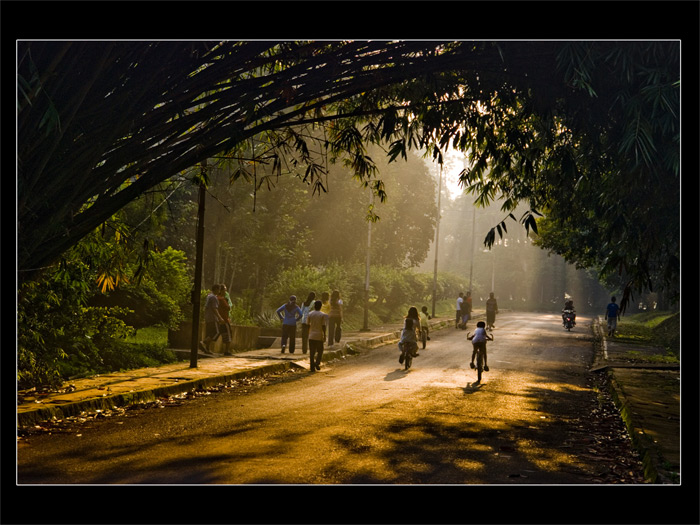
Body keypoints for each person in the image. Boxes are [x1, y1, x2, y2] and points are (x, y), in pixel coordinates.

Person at [200, 284, 224, 353]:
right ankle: (203, 342)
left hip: (208, 318)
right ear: (216, 289)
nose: (219, 291)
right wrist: (220, 318)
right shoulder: (214, 298)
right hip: (213, 318)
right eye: (219, 289)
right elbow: (214, 308)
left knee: (209, 333)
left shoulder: (209, 296)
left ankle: (207, 349)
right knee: (216, 332)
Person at [307, 300, 328, 371]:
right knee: (320, 350)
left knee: (312, 352)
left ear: (314, 306)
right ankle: (317, 363)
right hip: (319, 335)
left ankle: (312, 367)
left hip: (311, 335)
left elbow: (308, 324)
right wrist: (325, 335)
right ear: (321, 306)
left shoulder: (310, 314)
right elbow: (323, 326)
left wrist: (308, 333)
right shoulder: (322, 315)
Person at [216, 284, 233, 355]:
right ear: (221, 290)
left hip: (218, 319)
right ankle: (226, 351)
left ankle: (206, 345)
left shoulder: (216, 298)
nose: (225, 292)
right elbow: (228, 307)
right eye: (225, 290)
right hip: (224, 319)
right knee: (228, 335)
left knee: (217, 334)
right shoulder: (222, 299)